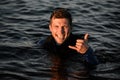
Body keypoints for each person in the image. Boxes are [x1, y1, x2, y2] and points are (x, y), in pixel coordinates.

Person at [38, 8, 98, 80]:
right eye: (56, 26)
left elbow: (94, 67)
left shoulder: (80, 45)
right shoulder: (44, 43)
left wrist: (87, 52)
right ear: (50, 28)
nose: (61, 31)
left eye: (65, 27)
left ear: (71, 28)